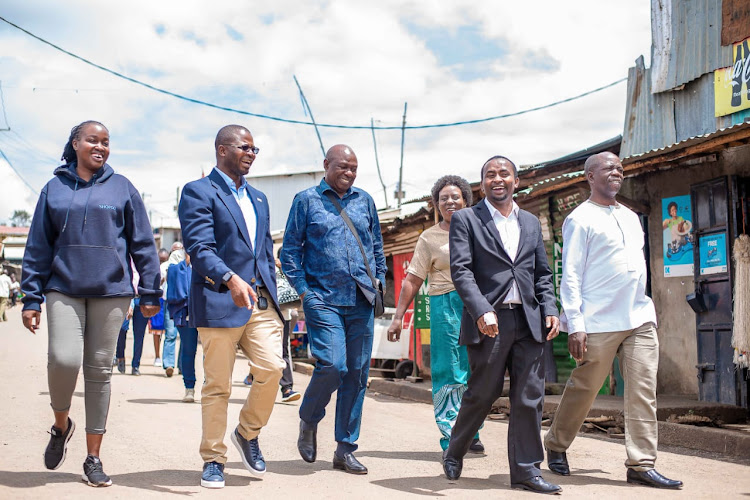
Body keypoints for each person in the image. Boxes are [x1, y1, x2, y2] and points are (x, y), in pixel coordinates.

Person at [20, 120, 161, 487]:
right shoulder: (54, 189)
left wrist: (149, 291)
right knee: (63, 360)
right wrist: (30, 297)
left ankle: (93, 457)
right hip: (63, 288)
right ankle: (60, 425)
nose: (101, 147)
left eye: (106, 142)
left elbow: (143, 243)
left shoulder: (122, 188)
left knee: (100, 372)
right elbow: (37, 247)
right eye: (93, 140)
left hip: (112, 291)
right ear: (76, 143)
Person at [544, 152, 683, 490]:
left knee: (643, 391)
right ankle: (556, 443)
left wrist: (648, 309)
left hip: (638, 315)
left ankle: (641, 463)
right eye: (608, 168)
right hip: (598, 320)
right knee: (586, 387)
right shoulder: (580, 219)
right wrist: (575, 323)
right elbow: (571, 275)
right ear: (590, 176)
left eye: (620, 168)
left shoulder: (632, 216)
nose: (616, 172)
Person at [442, 156, 562, 495]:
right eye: (490, 175)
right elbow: (461, 270)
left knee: (529, 396)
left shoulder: (530, 221)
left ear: (515, 181)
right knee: (483, 393)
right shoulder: (466, 219)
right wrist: (481, 309)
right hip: (489, 321)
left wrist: (550, 308)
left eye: (504, 173)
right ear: (482, 185)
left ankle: (526, 471)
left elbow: (541, 273)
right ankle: (455, 449)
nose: (498, 179)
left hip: (528, 320)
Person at [178, 124, 285, 489]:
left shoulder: (259, 198)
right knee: (218, 386)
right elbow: (199, 248)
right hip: (219, 299)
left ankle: (247, 432)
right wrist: (229, 278)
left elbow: (265, 253)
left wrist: (273, 293)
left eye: (255, 150)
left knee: (272, 367)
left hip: (260, 301)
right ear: (222, 150)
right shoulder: (198, 191)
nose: (252, 154)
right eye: (246, 148)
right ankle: (213, 458)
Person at [282, 144, 386, 475]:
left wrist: (379, 281)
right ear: (326, 165)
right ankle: (309, 419)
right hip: (323, 299)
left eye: (354, 168)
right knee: (333, 366)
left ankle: (345, 449)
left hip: (362, 300)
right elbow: (289, 253)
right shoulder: (306, 200)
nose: (349, 173)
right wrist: (304, 292)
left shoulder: (365, 201)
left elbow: (377, 247)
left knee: (356, 375)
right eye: (343, 167)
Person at [386, 175, 484, 456]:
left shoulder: (480, 230)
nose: (450, 202)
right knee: (448, 370)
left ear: (466, 200)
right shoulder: (429, 237)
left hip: (477, 305)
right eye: (444, 199)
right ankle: (451, 436)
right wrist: (398, 317)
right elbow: (412, 279)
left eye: (456, 197)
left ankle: (471, 431)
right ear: (436, 204)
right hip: (445, 306)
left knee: (477, 370)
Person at [243, 249, 302, 403]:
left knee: (283, 351)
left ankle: (287, 388)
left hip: (284, 316)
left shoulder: (290, 270)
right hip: (266, 316)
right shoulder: (267, 268)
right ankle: (256, 379)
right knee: (262, 351)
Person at [166, 247, 198, 403]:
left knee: (212, 351)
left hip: (207, 309)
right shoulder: (177, 256)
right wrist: (185, 263)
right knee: (188, 349)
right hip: (185, 310)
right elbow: (171, 276)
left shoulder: (210, 251)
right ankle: (189, 388)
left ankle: (210, 386)